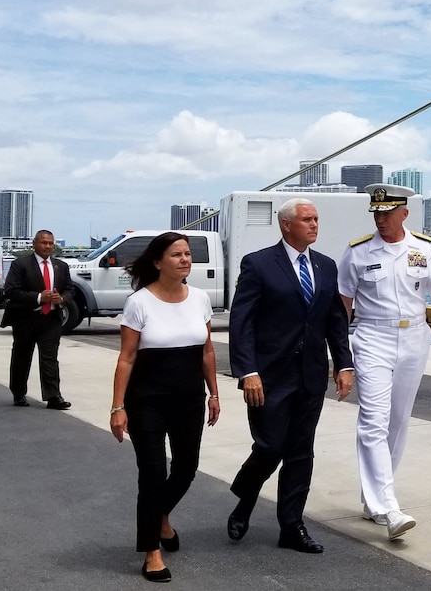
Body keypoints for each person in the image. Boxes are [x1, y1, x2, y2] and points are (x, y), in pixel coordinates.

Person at [227, 198, 354, 554]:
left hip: (311, 375)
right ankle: (246, 496)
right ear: (286, 225)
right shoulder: (259, 264)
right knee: (270, 447)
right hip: (268, 376)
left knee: (300, 451)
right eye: (307, 219)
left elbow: (334, 321)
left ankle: (292, 525)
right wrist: (247, 370)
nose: (315, 225)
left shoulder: (326, 266)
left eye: (316, 219)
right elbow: (242, 321)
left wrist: (344, 364)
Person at [339, 184, 431, 540]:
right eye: (376, 213)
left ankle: (373, 499)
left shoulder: (423, 247)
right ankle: (388, 507)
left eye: (387, 213)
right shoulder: (358, 252)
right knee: (373, 420)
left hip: (414, 339)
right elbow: (343, 304)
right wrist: (338, 353)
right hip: (372, 337)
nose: (380, 219)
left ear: (404, 214)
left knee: (398, 421)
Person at [108, 232, 220, 583]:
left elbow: (207, 351)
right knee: (153, 474)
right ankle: (151, 551)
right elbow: (126, 359)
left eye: (187, 254)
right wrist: (117, 407)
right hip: (147, 402)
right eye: (176, 255)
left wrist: (214, 394)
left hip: (189, 399)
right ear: (158, 262)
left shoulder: (200, 298)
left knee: (187, 467)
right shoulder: (139, 302)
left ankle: (159, 516)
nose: (185, 260)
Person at [2, 229, 74, 409]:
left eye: (50, 243)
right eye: (43, 242)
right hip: (26, 318)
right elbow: (11, 291)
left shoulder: (61, 266)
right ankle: (18, 393)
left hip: (51, 319)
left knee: (50, 358)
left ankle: (53, 396)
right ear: (34, 244)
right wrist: (38, 297)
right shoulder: (20, 265)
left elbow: (70, 289)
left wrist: (62, 299)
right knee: (22, 356)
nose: (47, 246)